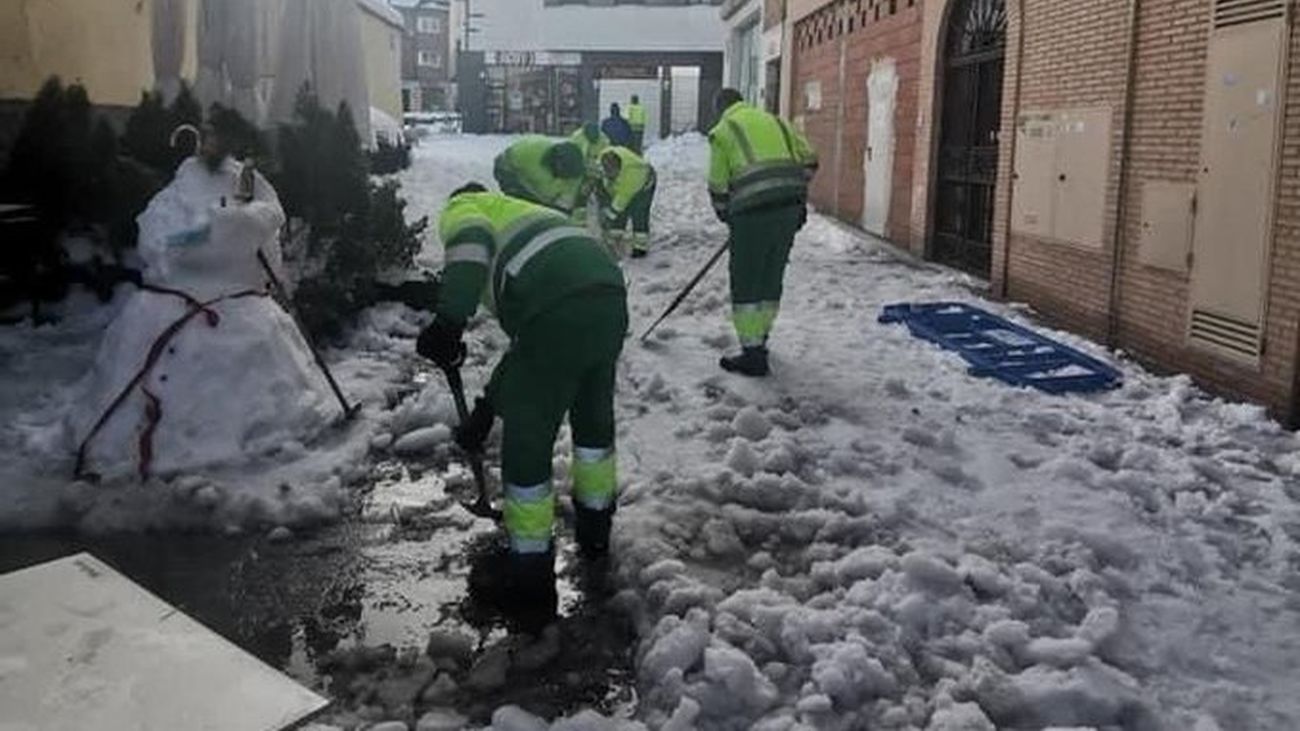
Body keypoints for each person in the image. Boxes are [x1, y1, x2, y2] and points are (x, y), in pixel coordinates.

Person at [417, 183, 628, 619]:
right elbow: (528, 350)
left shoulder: (465, 206)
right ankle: (595, 534)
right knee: (593, 424)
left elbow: (471, 247)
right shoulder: (522, 213)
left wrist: (448, 323)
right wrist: (487, 409)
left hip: (556, 305)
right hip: (607, 293)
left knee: (527, 443)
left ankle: (530, 578)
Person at [707, 87, 818, 377]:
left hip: (751, 216)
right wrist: (791, 190)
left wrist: (727, 215)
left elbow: (718, 185)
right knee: (771, 274)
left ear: (721, 108)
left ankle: (753, 353)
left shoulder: (723, 131)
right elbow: (810, 159)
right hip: (789, 211)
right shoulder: (778, 122)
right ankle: (763, 336)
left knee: (746, 280)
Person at [492, 136, 587, 215]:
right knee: (531, 205)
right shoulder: (535, 163)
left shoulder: (574, 167)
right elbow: (544, 196)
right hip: (506, 170)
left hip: (526, 163)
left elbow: (572, 190)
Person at [596, 146, 656, 259]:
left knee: (639, 213)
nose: (609, 176)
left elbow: (620, 203)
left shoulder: (632, 176)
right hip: (622, 186)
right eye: (607, 172)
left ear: (618, 169)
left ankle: (640, 247)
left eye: (612, 173)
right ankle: (615, 236)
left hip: (645, 183)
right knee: (619, 212)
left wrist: (607, 217)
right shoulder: (603, 159)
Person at [569, 122, 610, 225]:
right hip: (581, 172)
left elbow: (606, 161)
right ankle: (579, 222)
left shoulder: (604, 140)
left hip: (598, 172)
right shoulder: (576, 138)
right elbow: (574, 160)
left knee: (604, 196)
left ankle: (605, 220)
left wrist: (595, 178)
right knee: (580, 197)